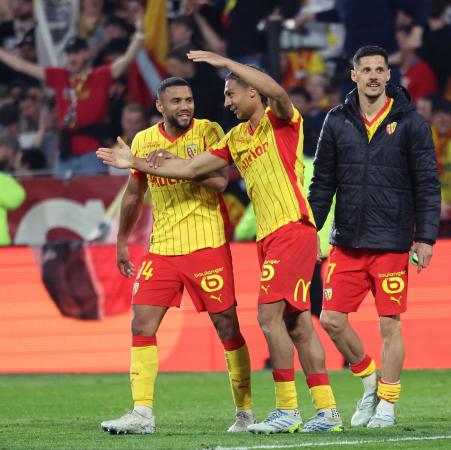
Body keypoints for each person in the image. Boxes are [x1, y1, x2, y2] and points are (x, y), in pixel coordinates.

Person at [97, 51, 343, 434]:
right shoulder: (235, 138)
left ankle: (286, 410)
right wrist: (136, 161)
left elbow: (275, 91)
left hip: (290, 228)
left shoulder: (281, 121)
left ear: (252, 92)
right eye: (224, 95)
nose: (226, 102)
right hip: (264, 236)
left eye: (232, 94)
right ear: (159, 105)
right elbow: (190, 168)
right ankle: (326, 411)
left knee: (265, 318)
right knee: (297, 325)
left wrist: (221, 60)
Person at [99, 77, 254, 435]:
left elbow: (219, 182)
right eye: (176, 101)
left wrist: (177, 163)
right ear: (160, 107)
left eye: (189, 99)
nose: (185, 106)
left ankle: (245, 412)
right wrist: (122, 240)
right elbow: (134, 195)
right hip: (162, 249)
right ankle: (142, 413)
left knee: (227, 326)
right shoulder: (143, 140)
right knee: (141, 324)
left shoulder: (209, 131)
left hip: (207, 244)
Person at [308, 45, 441, 429]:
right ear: (353, 75)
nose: (373, 76)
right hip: (346, 241)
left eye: (379, 69)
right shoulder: (336, 120)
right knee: (331, 319)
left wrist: (426, 238)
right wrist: (308, 232)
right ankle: (370, 381)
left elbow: (428, 186)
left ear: (387, 75)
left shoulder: (412, 123)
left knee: (390, 325)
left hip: (391, 242)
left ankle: (387, 405)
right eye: (365, 69)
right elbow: (322, 184)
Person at [0, 12, 145, 175]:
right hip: (64, 153)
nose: (71, 57)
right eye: (68, 53)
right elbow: (22, 66)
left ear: (87, 53)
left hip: (92, 153)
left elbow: (125, 60)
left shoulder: (99, 76)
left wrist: (139, 35)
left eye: (76, 52)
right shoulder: (60, 76)